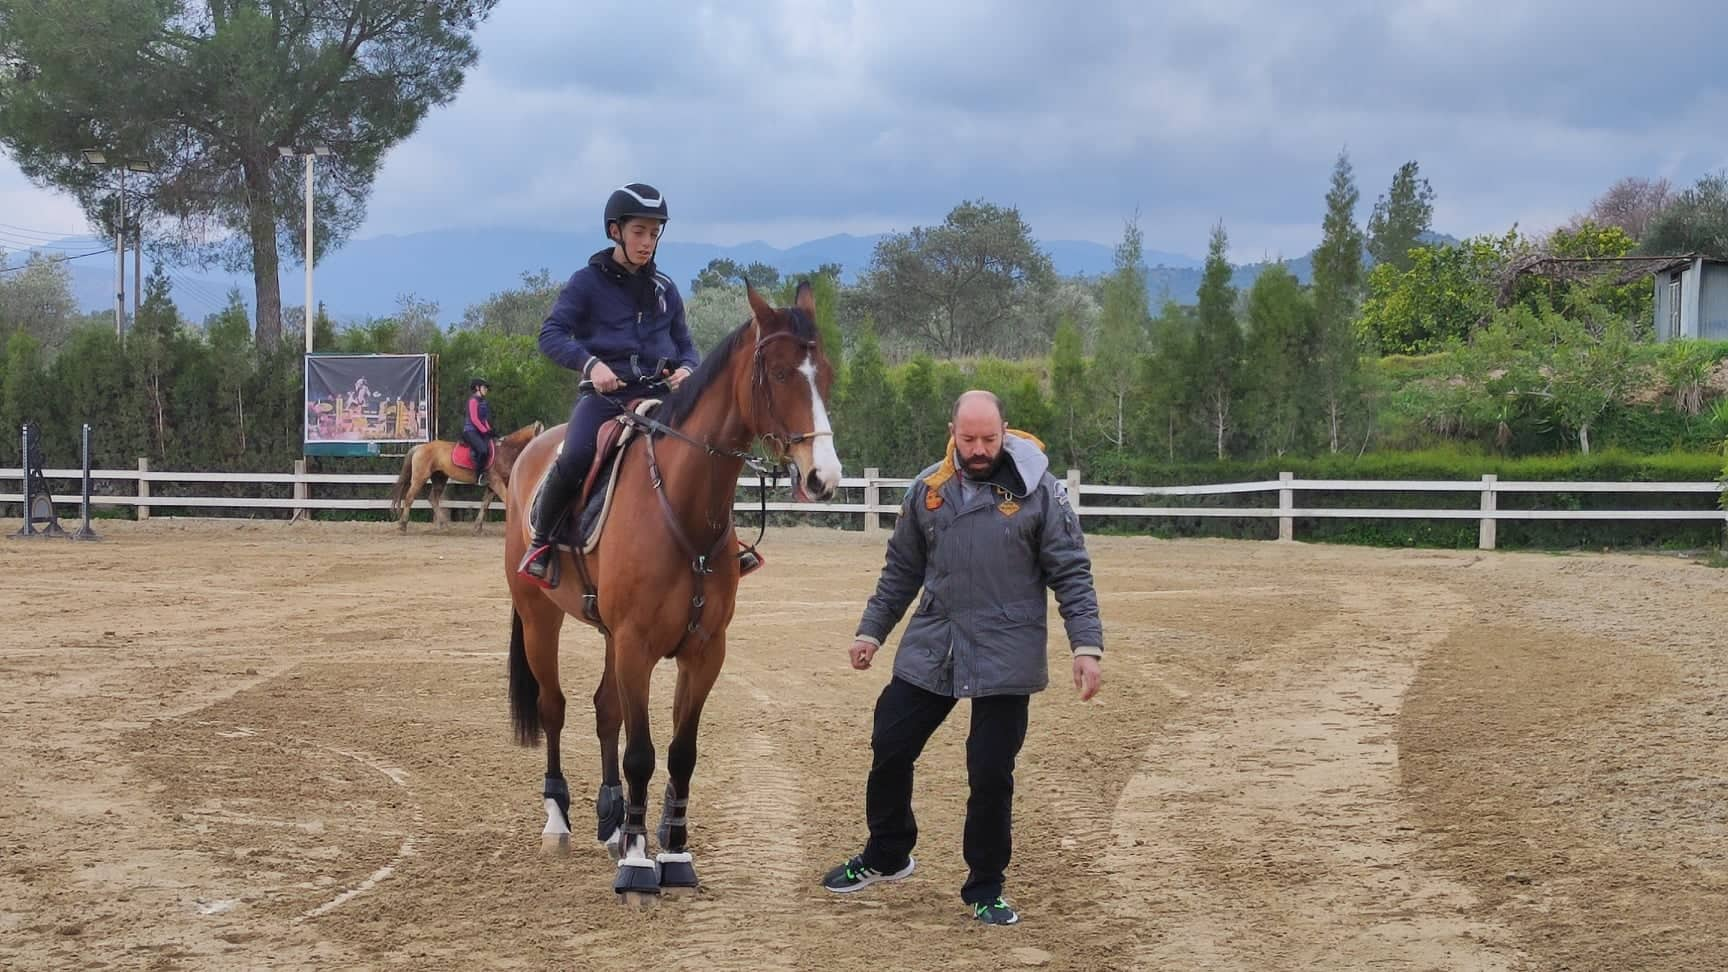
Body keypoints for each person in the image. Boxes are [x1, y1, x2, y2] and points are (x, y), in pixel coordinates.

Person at [821, 390, 1105, 926]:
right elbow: (901, 570)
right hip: (937, 641)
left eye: (989, 439)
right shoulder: (928, 490)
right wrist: (871, 631)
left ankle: (985, 887)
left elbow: (1072, 572)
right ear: (952, 430)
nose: (978, 449)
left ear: (1006, 431)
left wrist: (1086, 647)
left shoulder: (1041, 491)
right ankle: (888, 853)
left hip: (1006, 651)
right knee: (891, 741)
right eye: (967, 438)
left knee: (990, 771)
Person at [517, 183, 700, 589]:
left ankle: (716, 547)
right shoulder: (587, 283)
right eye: (639, 231)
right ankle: (543, 542)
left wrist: (688, 368)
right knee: (576, 454)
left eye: (654, 233)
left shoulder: (666, 290)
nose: (647, 242)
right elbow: (551, 334)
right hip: (606, 400)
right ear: (615, 231)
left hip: (660, 398)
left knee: (702, 454)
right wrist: (591, 363)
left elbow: (687, 345)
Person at [462, 378, 494, 487]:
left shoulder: (484, 402)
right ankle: (478, 476)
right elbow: (474, 419)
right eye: (484, 388)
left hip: (480, 431)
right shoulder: (473, 401)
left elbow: (484, 420)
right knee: (483, 450)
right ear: (477, 388)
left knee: (493, 446)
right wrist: (485, 431)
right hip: (470, 430)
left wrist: (490, 431)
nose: (486, 390)